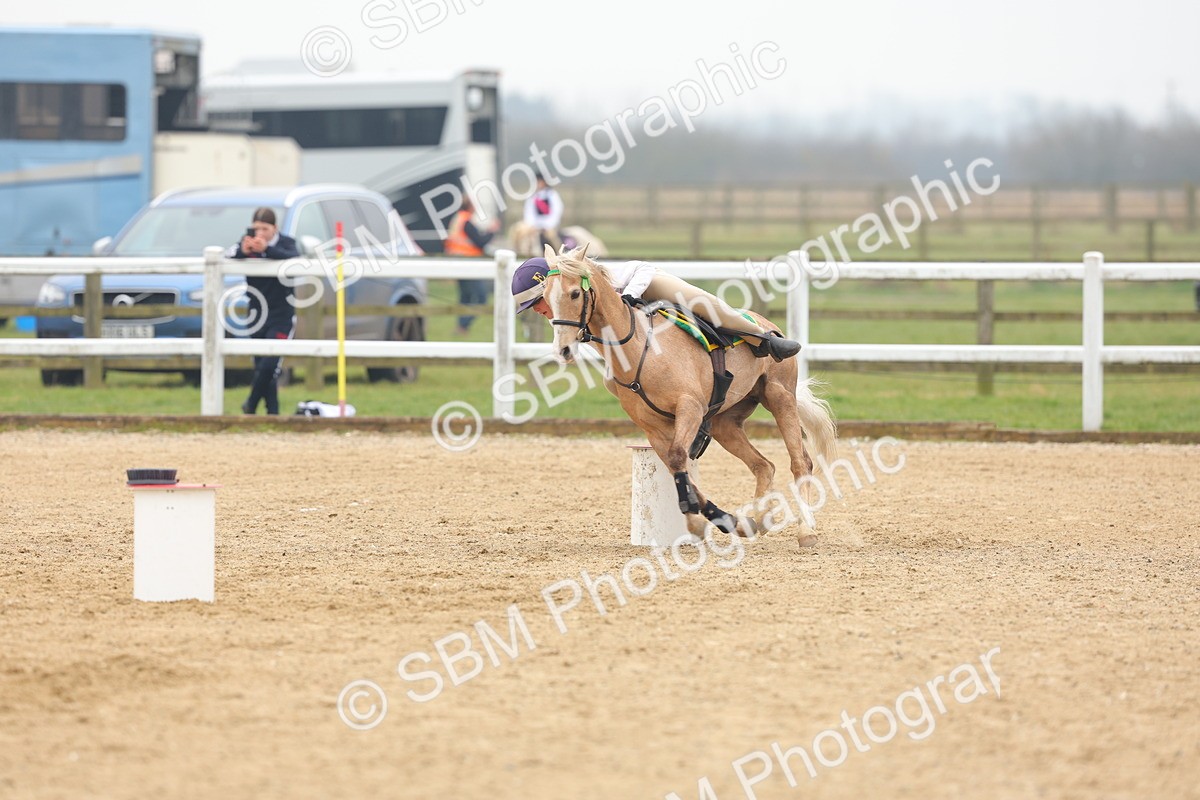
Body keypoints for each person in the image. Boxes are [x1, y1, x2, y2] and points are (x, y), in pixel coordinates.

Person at [511, 256, 802, 361]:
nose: (536, 310)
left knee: (707, 304)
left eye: (535, 303)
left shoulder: (584, 283)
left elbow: (643, 271)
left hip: (647, 284)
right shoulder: (570, 310)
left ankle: (766, 340)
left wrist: (629, 297)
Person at [225, 207, 299, 414]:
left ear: (274, 228)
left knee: (270, 365)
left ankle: (250, 405)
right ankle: (272, 412)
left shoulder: (287, 242)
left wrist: (266, 249)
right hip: (256, 314)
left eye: (264, 229)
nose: (259, 233)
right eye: (256, 228)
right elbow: (227, 255)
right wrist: (244, 251)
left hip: (282, 315)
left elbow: (295, 260)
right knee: (261, 366)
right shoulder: (246, 240)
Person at [444, 195, 501, 335]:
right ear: (470, 206)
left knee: (465, 296)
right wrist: (492, 231)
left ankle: (461, 327)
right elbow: (480, 242)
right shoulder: (466, 221)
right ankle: (463, 325)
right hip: (469, 264)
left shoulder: (457, 219)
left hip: (458, 263)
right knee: (481, 297)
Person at [522, 172, 563, 252]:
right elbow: (528, 212)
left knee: (552, 238)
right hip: (534, 225)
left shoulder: (552, 195)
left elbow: (556, 211)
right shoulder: (532, 196)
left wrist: (547, 225)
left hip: (549, 225)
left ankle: (558, 253)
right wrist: (532, 225)